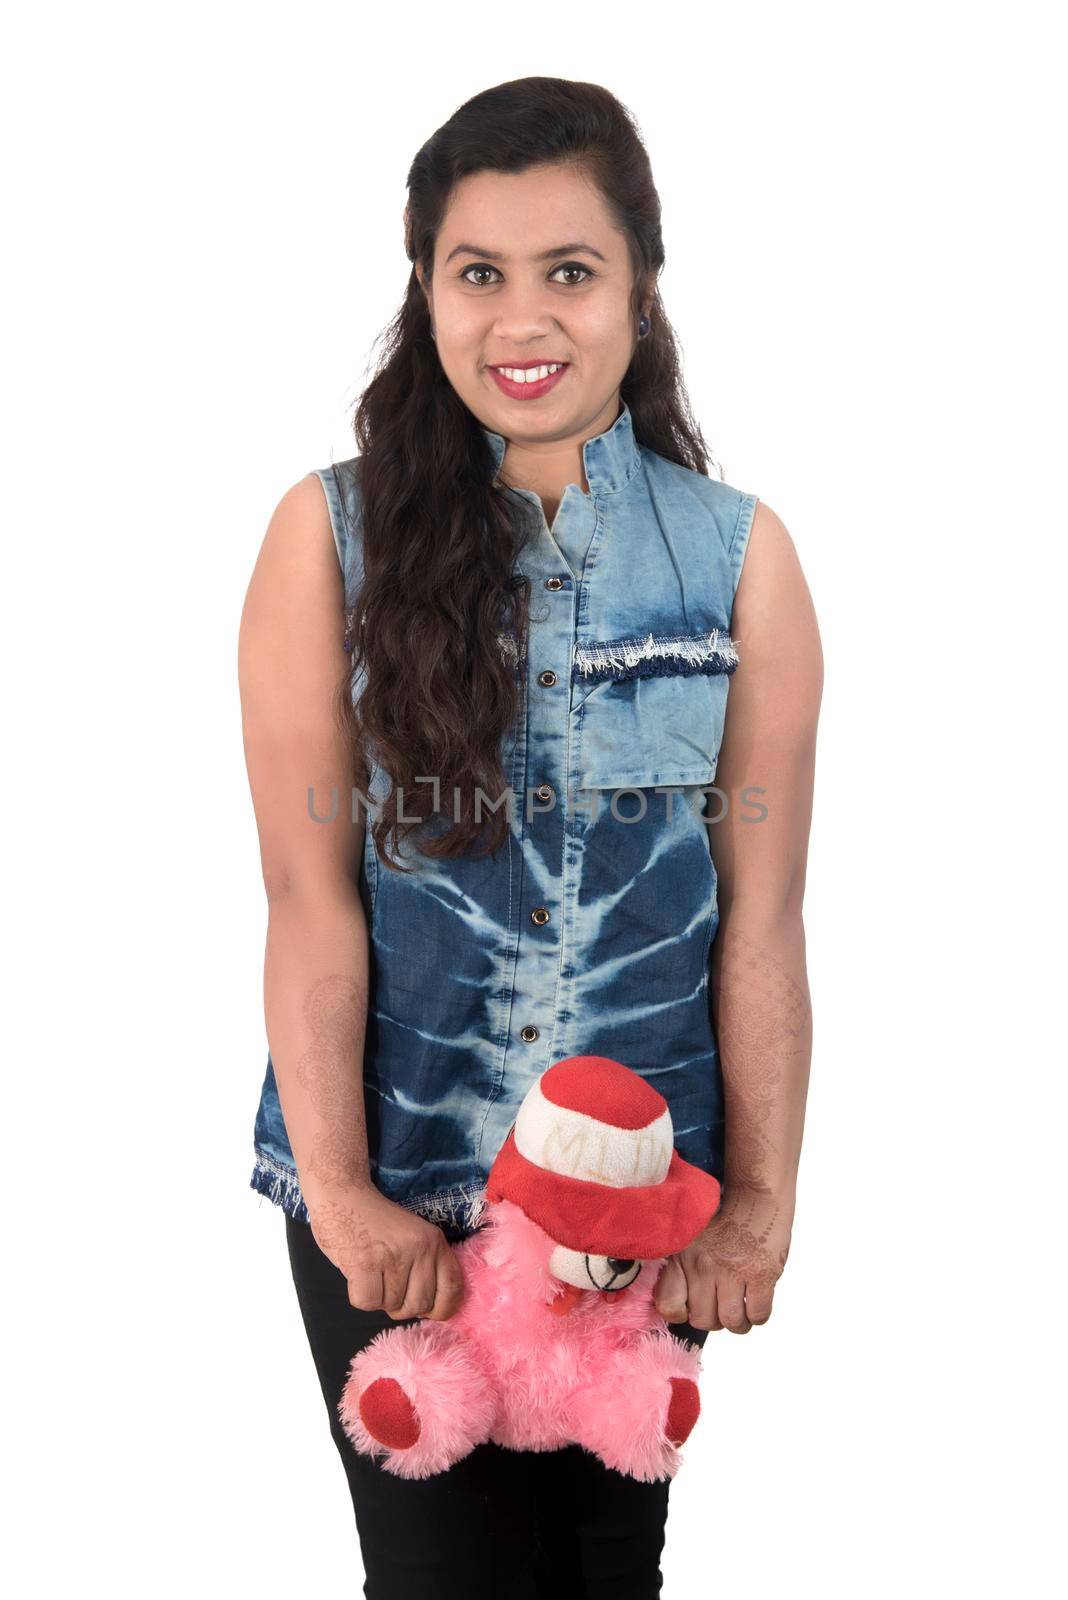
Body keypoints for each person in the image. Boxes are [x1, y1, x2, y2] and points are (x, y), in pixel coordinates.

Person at [238, 75, 822, 1600]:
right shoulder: (331, 539)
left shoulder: (743, 560)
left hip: (641, 1218)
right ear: (425, 289)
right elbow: (309, 900)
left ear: (639, 289)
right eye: (476, 272)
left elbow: (759, 918)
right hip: (399, 1198)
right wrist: (348, 1193)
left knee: (605, 1576)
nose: (523, 317)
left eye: (569, 271)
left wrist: (757, 1207)